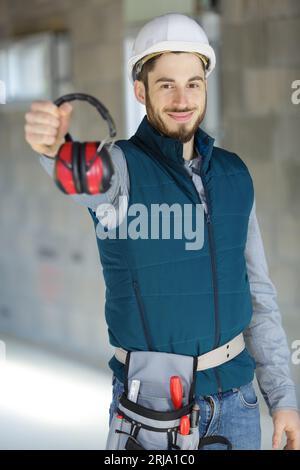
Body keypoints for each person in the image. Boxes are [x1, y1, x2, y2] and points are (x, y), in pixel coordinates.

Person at [25, 13, 300, 450]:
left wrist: (283, 398)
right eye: (166, 84)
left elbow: (259, 296)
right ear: (141, 90)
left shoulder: (234, 175)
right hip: (151, 414)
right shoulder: (121, 169)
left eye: (193, 82)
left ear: (205, 86)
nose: (181, 97)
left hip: (239, 409)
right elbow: (83, 177)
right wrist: (54, 147)